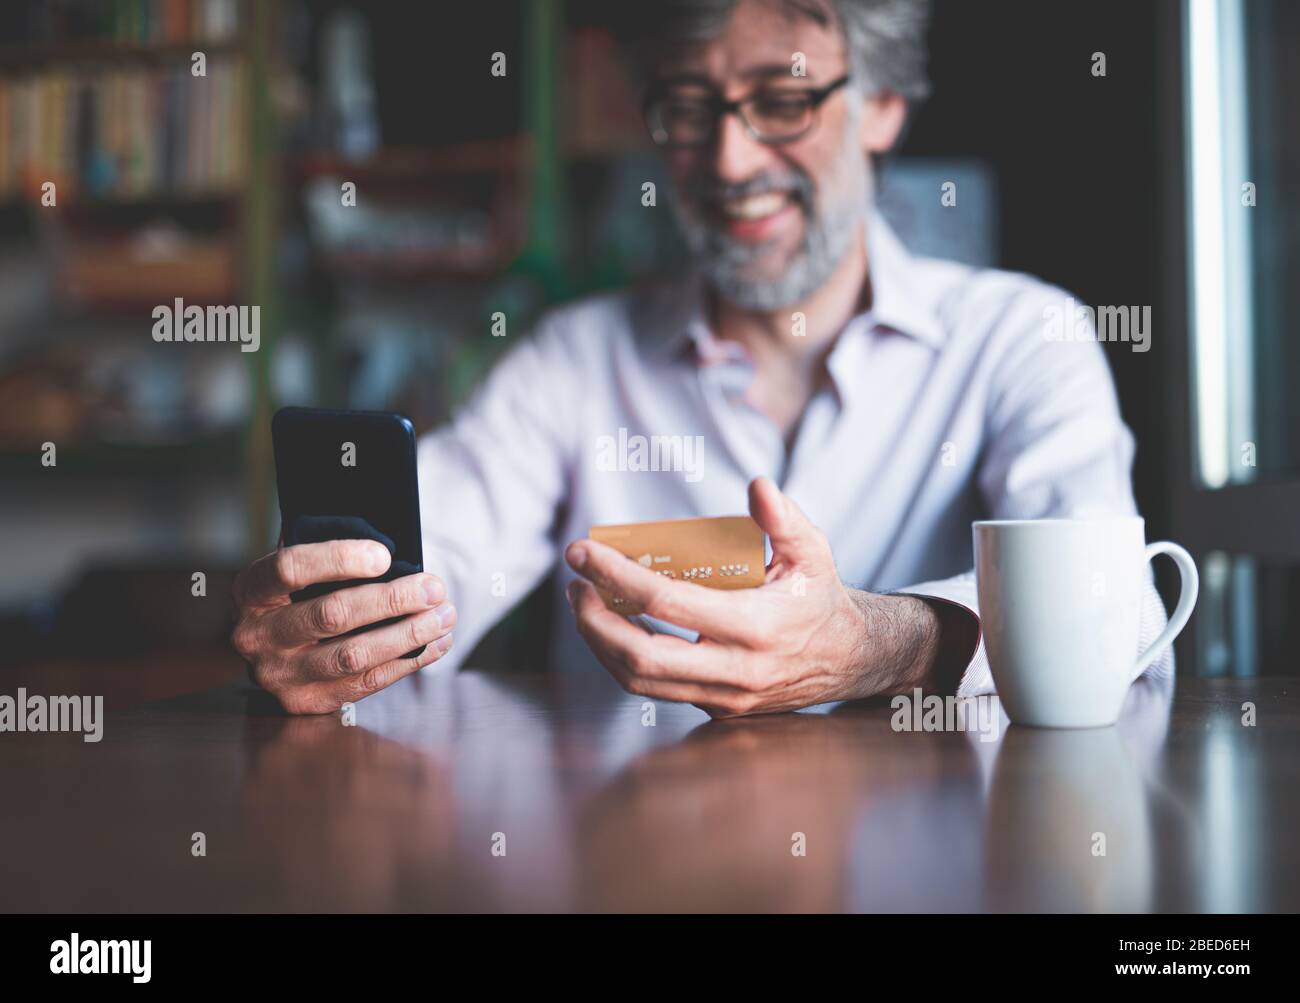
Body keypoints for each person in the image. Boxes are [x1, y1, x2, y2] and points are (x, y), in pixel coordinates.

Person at [231, 0, 1171, 716]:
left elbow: (1121, 609)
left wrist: (884, 643)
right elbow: (441, 556)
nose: (727, 159)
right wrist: (339, 627)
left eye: (784, 98)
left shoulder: (1020, 338)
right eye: (688, 108)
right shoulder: (576, 362)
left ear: (882, 104)